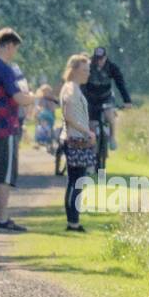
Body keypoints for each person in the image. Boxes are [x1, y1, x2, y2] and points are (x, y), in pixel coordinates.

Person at [0, 28, 36, 232]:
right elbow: (18, 97)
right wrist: (33, 97)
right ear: (8, 45)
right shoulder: (3, 67)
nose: (14, 53)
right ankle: (3, 219)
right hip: (6, 126)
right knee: (5, 174)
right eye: (14, 49)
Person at [58, 55, 94, 232]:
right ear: (75, 70)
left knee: (75, 180)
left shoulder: (72, 88)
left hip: (75, 139)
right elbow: (69, 116)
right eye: (85, 70)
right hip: (75, 140)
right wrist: (87, 132)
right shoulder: (71, 88)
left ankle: (74, 220)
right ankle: (73, 222)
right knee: (76, 181)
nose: (88, 73)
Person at [83, 46, 132, 151]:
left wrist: (127, 100)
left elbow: (120, 83)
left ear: (105, 57)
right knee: (91, 123)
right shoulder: (89, 65)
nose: (99, 61)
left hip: (106, 97)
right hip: (91, 97)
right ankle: (92, 147)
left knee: (109, 114)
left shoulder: (112, 67)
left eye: (101, 59)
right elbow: (82, 82)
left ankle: (112, 138)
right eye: (97, 58)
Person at [33, 84, 58, 151]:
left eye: (47, 91)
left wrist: (51, 106)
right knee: (40, 129)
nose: (45, 92)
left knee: (50, 129)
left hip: (50, 116)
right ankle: (38, 142)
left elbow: (54, 106)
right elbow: (38, 106)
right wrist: (38, 111)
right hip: (42, 116)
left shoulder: (52, 98)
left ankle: (50, 143)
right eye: (43, 91)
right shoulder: (41, 98)